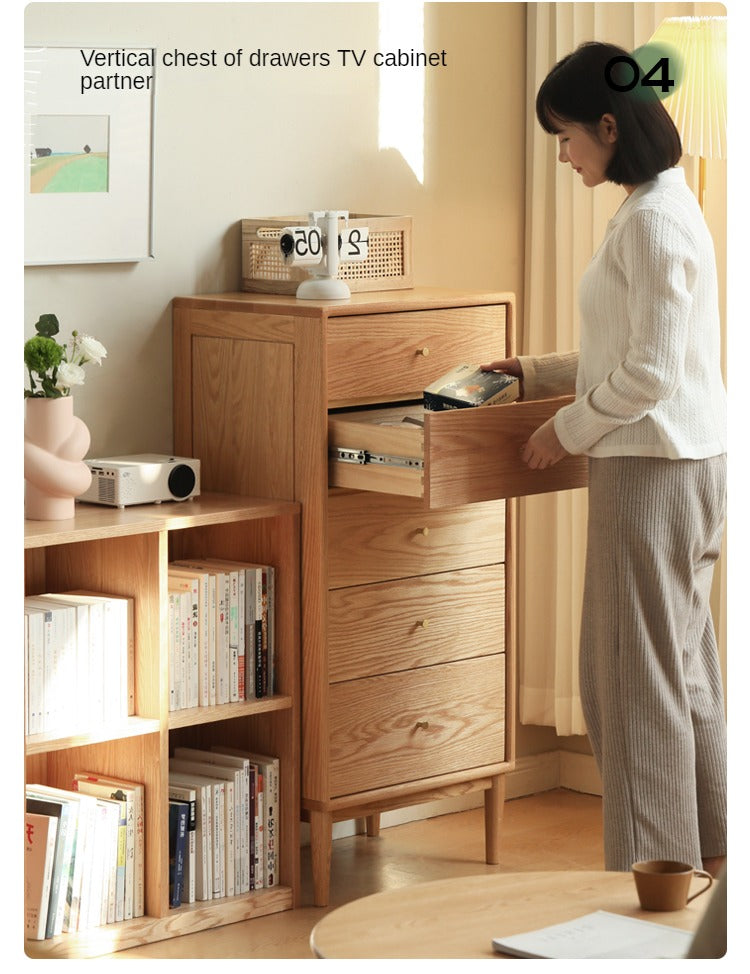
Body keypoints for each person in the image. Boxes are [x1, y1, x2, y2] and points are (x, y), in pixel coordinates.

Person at [482, 41, 727, 877]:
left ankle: (650, 875)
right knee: (682, 669)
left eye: (565, 136)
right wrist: (539, 375)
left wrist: (565, 431)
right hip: (689, 463)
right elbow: (637, 349)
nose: (562, 154)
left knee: (629, 680)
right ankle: (713, 851)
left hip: (651, 470)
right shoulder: (663, 205)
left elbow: (650, 374)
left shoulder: (653, 220)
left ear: (610, 127)